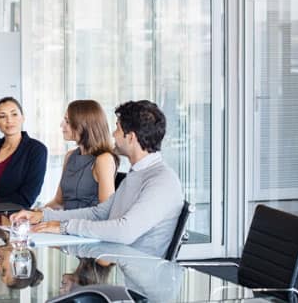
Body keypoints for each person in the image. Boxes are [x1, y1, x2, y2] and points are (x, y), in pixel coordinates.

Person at [11, 100, 183, 257]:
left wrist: (64, 227)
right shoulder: (137, 173)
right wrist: (43, 217)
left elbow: (125, 231)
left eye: (117, 129)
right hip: (120, 264)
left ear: (130, 137)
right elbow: (100, 213)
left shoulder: (162, 181)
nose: (113, 134)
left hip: (139, 280)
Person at [44, 100, 118, 210]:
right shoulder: (70, 156)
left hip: (85, 226)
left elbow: (104, 212)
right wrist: (33, 213)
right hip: (63, 223)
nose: (61, 125)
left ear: (84, 125)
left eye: (67, 121)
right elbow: (58, 202)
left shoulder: (104, 160)